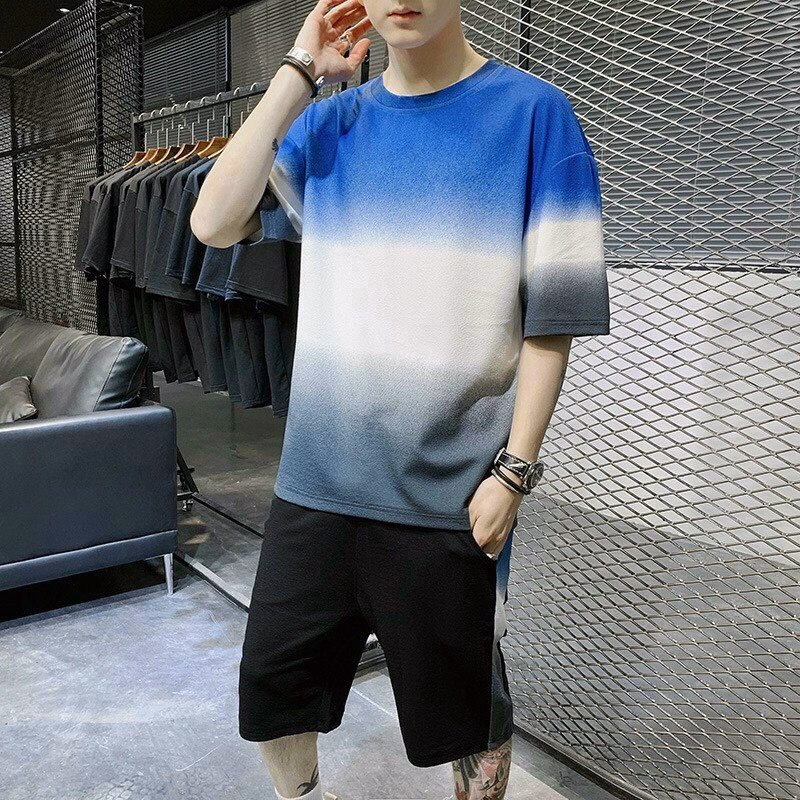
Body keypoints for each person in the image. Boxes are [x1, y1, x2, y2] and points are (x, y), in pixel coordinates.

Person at [191, 0, 610, 797]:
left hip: (449, 491)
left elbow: (553, 319)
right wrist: (299, 73)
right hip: (317, 482)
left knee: (466, 713)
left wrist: (514, 472)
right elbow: (214, 221)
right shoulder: (331, 124)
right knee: (275, 696)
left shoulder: (533, 115)